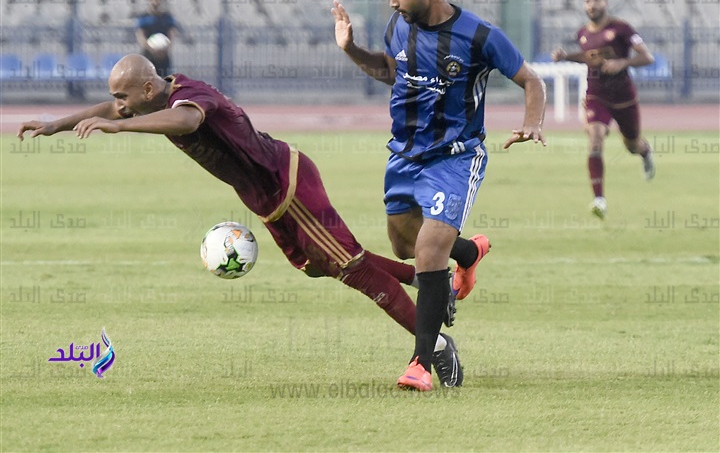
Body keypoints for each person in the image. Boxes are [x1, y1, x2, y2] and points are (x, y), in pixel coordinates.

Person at [17, 54, 464, 388]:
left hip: (287, 184)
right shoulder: (156, 95)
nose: (118, 107)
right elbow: (116, 110)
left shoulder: (189, 98)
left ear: (148, 90)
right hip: (267, 197)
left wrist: (121, 128)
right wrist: (56, 124)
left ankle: (435, 348)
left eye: (123, 97)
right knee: (321, 266)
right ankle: (427, 283)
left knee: (352, 268)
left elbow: (187, 121)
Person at [332, 0, 546, 390]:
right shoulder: (399, 25)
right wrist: (350, 49)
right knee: (404, 247)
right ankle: (467, 253)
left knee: (429, 252)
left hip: (456, 157)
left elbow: (532, 80)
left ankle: (421, 364)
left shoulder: (480, 35)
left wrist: (531, 122)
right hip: (405, 155)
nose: (392, 1)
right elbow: (392, 71)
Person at [551, 0, 655, 219]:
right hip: (596, 96)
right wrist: (566, 57)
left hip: (624, 97)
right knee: (595, 138)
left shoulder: (621, 29)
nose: (592, 5)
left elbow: (647, 57)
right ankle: (599, 199)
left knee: (632, 144)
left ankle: (645, 152)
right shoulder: (582, 33)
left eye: (596, 0)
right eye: (588, 1)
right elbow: (589, 58)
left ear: (605, 2)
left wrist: (623, 63)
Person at [135, 0, 178, 77]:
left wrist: (165, 49)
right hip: (148, 55)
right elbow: (141, 36)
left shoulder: (167, 17)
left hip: (163, 56)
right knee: (148, 80)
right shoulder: (143, 17)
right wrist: (152, 50)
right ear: (148, 0)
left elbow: (172, 34)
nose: (154, 1)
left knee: (164, 80)